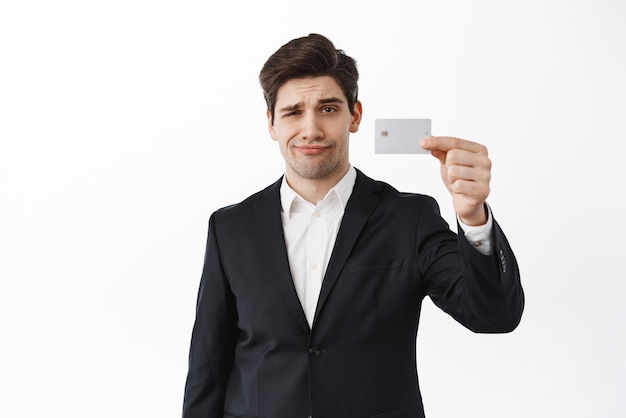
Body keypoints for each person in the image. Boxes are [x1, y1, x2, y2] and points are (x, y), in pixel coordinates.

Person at [182, 33, 524, 418]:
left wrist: (473, 217)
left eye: (328, 109)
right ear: (271, 123)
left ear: (355, 115)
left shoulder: (408, 218)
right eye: (293, 112)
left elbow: (495, 316)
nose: (310, 129)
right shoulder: (231, 227)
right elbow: (208, 366)